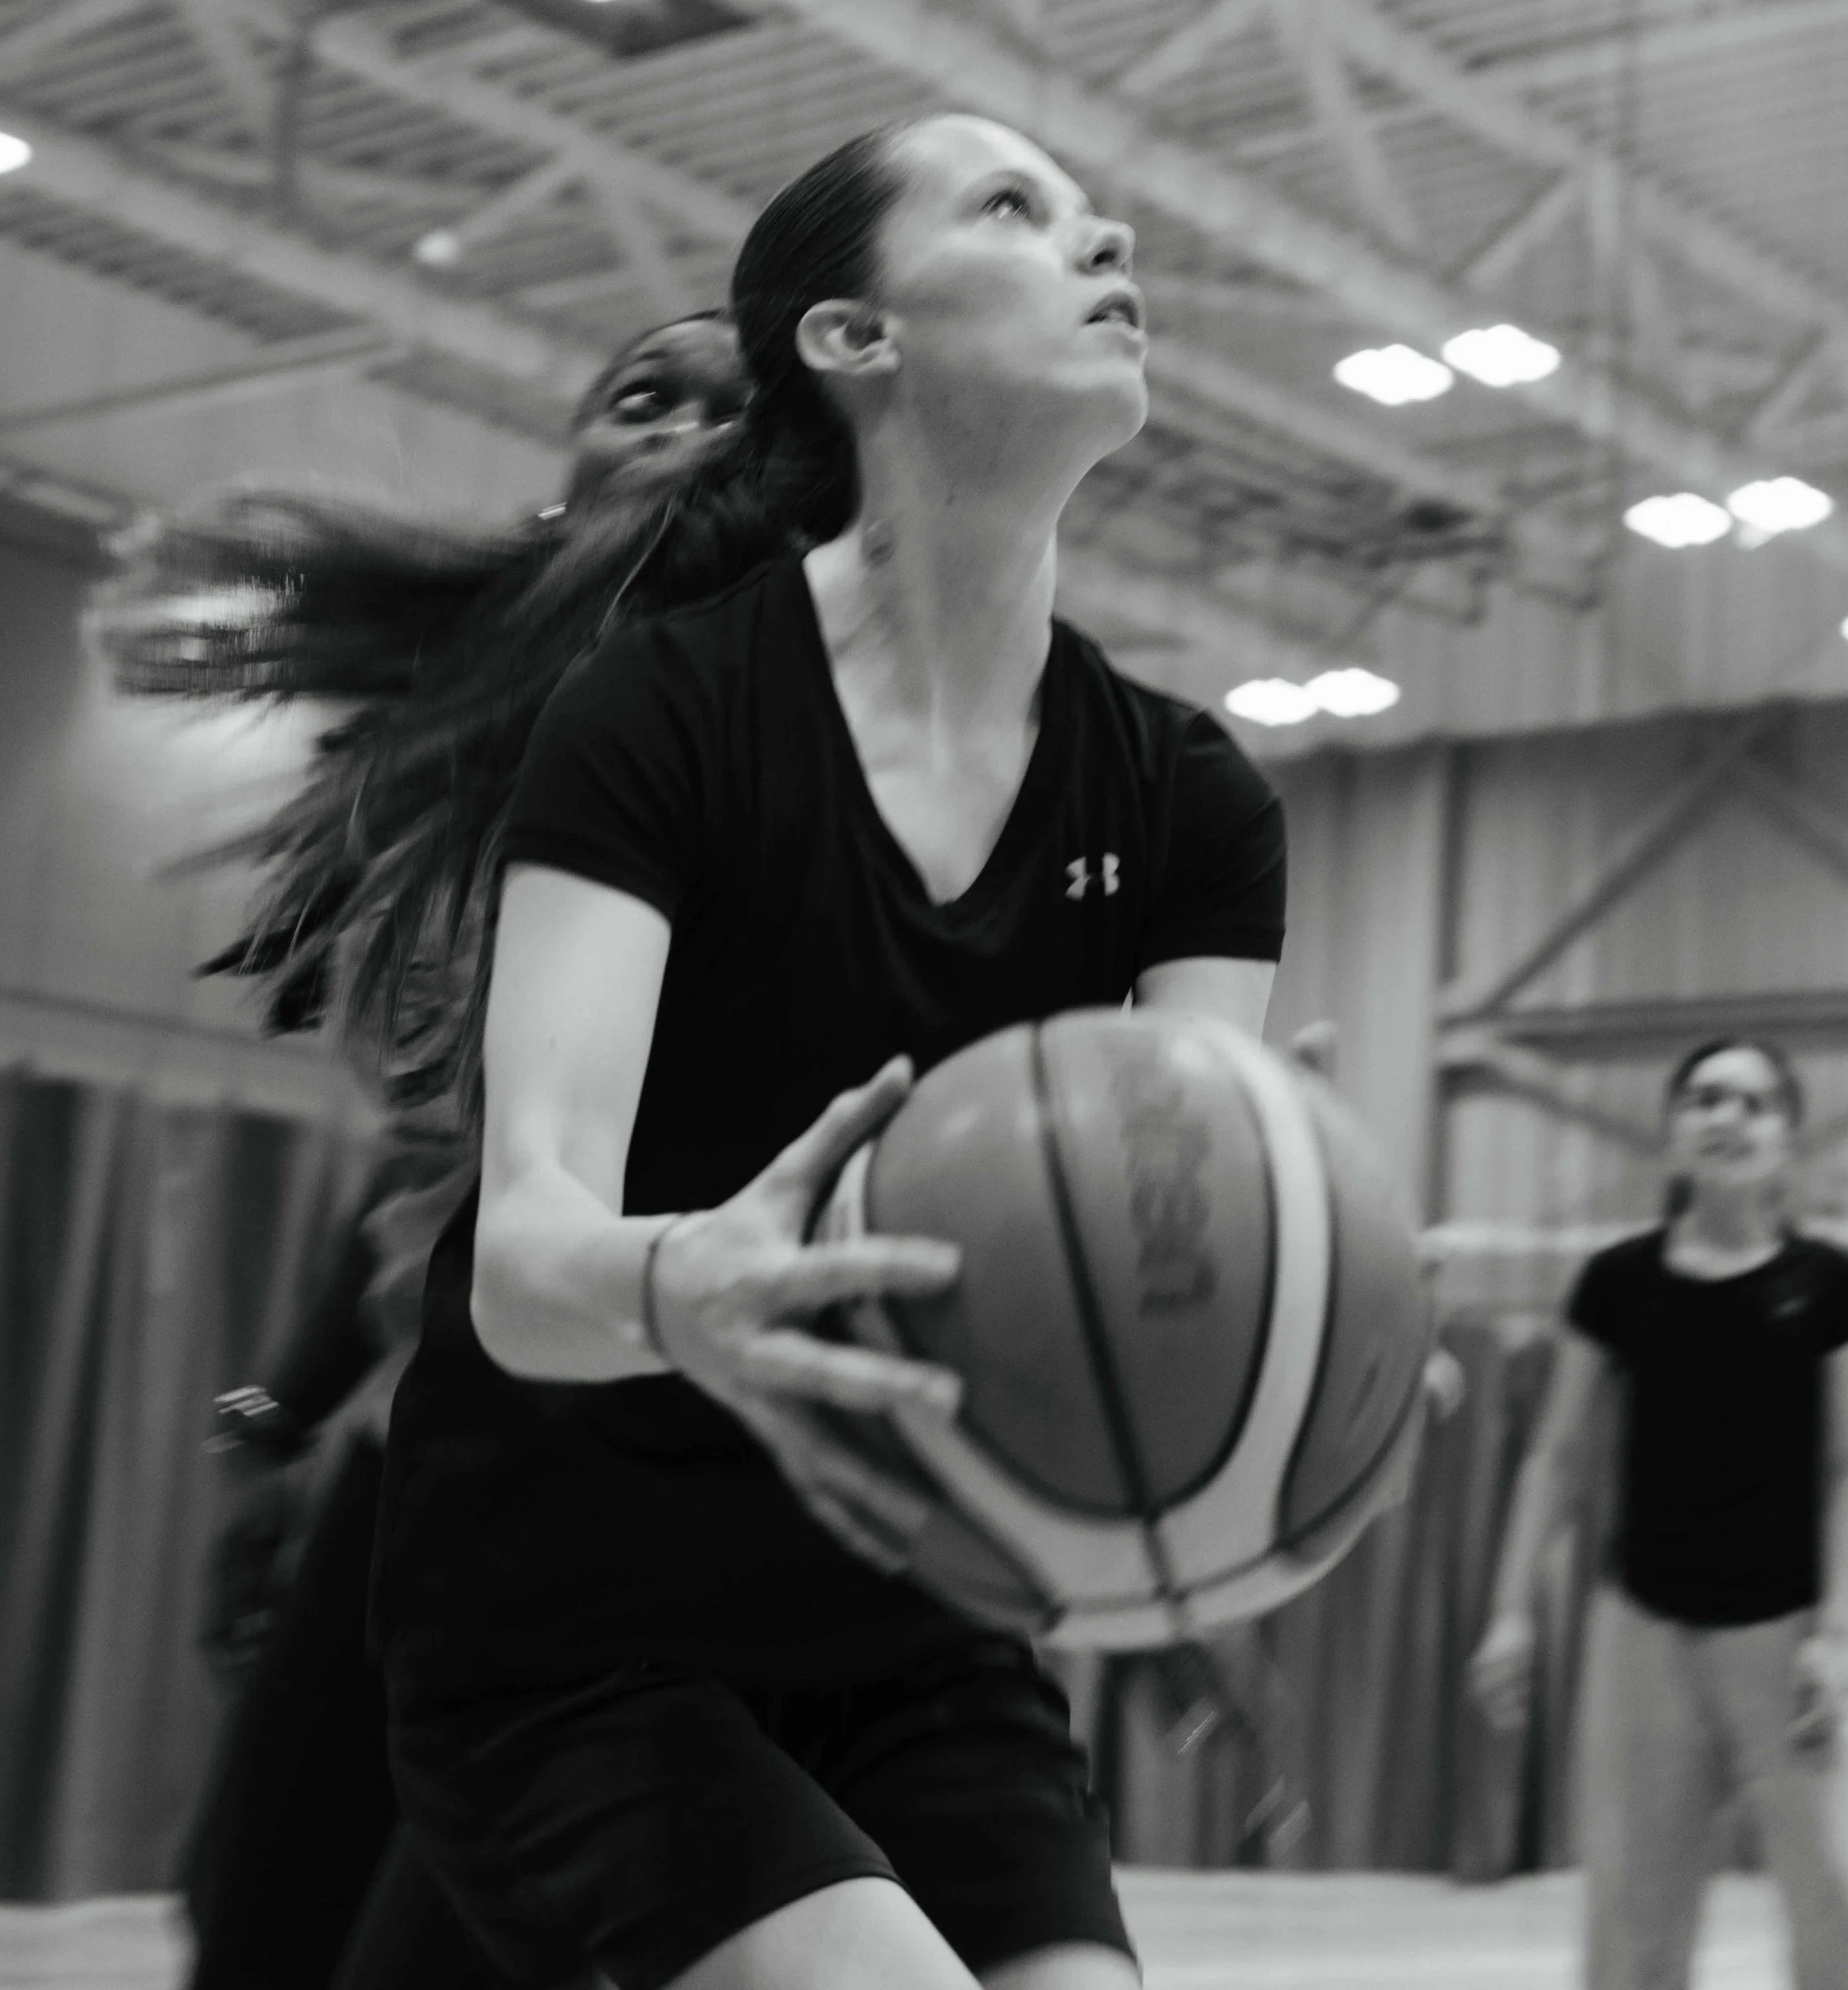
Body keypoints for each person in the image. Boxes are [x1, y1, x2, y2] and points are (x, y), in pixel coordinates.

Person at [371, 114, 1290, 1990]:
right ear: (854, 341)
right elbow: (528, 1265)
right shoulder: (663, 713)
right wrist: (681, 1279)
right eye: (1014, 207)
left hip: (921, 1632)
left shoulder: (1192, 800)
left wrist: (1282, 1326)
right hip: (581, 1638)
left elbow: (1172, 1257)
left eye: (1090, 206)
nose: (1102, 228)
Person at [98, 312, 753, 1990]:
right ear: (569, 472)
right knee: (248, 1927)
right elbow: (418, 1177)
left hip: (650, 1499)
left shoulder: (830, 762)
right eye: (642, 395)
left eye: (738, 411)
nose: (681, 425)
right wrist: (270, 1426)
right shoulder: (472, 766)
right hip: (420, 1468)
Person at [1468, 1037, 1848, 1990]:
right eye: (1702, 1098)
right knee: (1634, 1930)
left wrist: (1836, 1633)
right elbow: (1553, 1458)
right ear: (1674, 1133)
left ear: (1787, 1141)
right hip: (1644, 1634)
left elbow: (1847, 1466)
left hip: (1790, 1637)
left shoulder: (1828, 1283)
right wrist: (1511, 1611)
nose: (1724, 1116)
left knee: (1832, 1904)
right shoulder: (1618, 1282)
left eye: (1751, 1103)